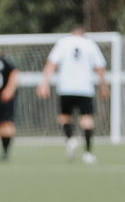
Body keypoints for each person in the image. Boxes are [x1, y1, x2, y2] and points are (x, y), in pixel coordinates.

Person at [38, 27, 105, 164]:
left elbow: (51, 64)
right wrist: (103, 86)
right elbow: (100, 67)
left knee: (64, 116)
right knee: (87, 119)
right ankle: (88, 153)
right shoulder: (90, 44)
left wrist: (44, 83)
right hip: (85, 88)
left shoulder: (63, 42)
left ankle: (70, 139)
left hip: (66, 87)